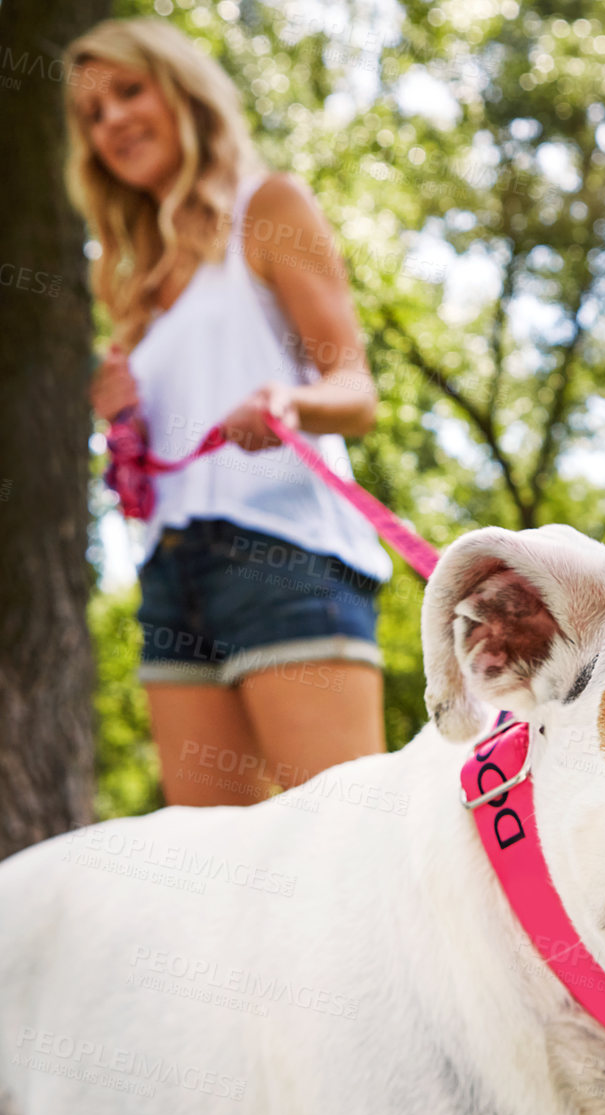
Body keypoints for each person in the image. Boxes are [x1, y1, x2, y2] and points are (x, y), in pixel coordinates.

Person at [65, 18, 391, 806]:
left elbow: (356, 393)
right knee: (205, 866)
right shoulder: (133, 285)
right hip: (170, 573)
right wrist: (124, 420)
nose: (112, 121)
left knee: (342, 836)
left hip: (282, 553)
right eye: (92, 113)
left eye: (128, 91)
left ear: (182, 90)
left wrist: (289, 400)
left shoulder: (268, 207)